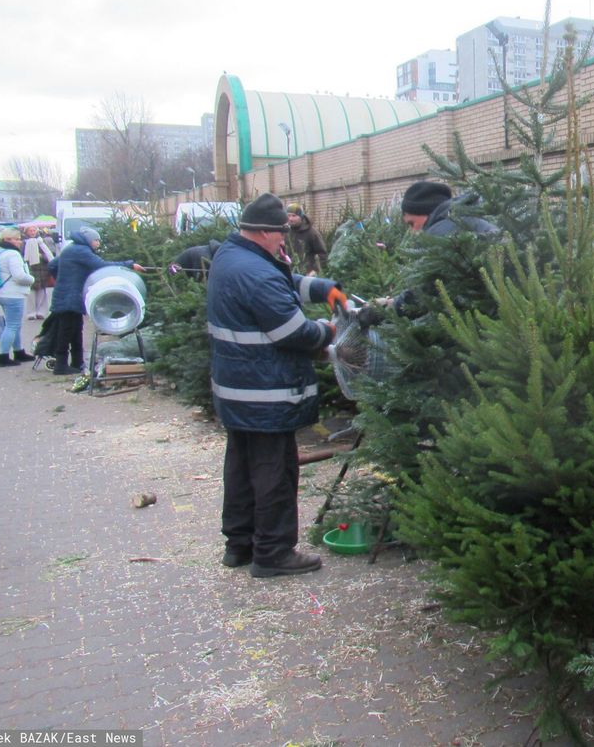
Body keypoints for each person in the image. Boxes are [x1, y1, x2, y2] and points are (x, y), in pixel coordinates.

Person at [207, 192, 351, 578]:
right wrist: (329, 330)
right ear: (264, 232)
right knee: (274, 472)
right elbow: (293, 331)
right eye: (281, 233)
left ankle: (239, 545)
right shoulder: (255, 272)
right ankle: (273, 552)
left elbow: (281, 283)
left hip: (238, 390)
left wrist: (322, 289)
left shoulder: (234, 256)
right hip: (265, 393)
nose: (284, 239)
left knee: (241, 466)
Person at [357, 180, 499, 325]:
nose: (413, 231)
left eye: (412, 223)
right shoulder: (464, 220)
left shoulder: (440, 233)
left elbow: (428, 290)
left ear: (425, 211)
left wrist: (385, 310)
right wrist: (392, 301)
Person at [47, 227, 144, 376]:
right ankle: (61, 366)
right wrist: (129, 264)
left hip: (66, 294)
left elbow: (52, 265)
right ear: (88, 240)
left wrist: (63, 278)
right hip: (70, 297)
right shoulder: (81, 251)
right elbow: (101, 265)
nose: (98, 243)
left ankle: (77, 362)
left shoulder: (71, 249)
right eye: (96, 240)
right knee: (67, 331)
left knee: (75, 329)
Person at [0, 228, 35, 367]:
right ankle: (3, 356)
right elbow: (19, 276)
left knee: (14, 324)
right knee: (12, 326)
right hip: (13, 294)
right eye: (17, 239)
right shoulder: (12, 254)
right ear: (7, 239)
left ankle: (19, 352)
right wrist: (32, 279)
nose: (20, 242)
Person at [22, 225, 55, 319]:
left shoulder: (42, 241)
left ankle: (41, 312)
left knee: (42, 291)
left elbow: (50, 254)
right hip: (30, 268)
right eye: (30, 230)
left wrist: (41, 256)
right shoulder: (24, 242)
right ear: (26, 232)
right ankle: (31, 313)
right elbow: (21, 255)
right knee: (31, 291)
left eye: (34, 230)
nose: (32, 232)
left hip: (42, 269)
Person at [286, 203, 328, 275]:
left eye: (294, 216)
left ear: (301, 216)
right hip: (290, 274)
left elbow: (322, 255)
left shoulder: (312, 233)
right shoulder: (286, 233)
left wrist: (315, 270)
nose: (290, 219)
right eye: (288, 216)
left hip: (307, 275)